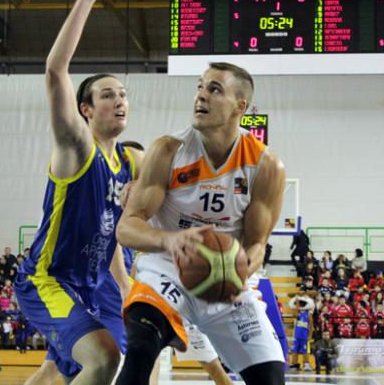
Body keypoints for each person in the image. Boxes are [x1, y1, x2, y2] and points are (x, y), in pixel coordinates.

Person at [115, 61, 286, 385]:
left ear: (240, 106)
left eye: (214, 89)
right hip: (166, 270)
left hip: (224, 280)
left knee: (272, 379)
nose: (201, 96)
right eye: (200, 86)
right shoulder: (168, 150)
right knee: (140, 349)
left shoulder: (266, 165)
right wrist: (169, 240)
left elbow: (256, 243)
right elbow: (126, 227)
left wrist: (248, 262)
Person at [13, 0, 140, 384]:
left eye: (123, 94)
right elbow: (55, 71)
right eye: (107, 95)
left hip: (88, 285)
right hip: (48, 279)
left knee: (54, 370)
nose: (119, 100)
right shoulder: (77, 146)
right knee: (103, 359)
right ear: (85, 109)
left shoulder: (128, 163)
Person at [288, 293, 314, 372]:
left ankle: (306, 364)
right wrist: (297, 301)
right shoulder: (297, 313)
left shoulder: (308, 314)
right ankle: (294, 364)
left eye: (302, 304)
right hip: (296, 336)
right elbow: (295, 313)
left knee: (305, 351)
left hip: (304, 336)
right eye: (300, 304)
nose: (301, 306)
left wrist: (310, 335)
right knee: (294, 350)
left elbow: (311, 326)